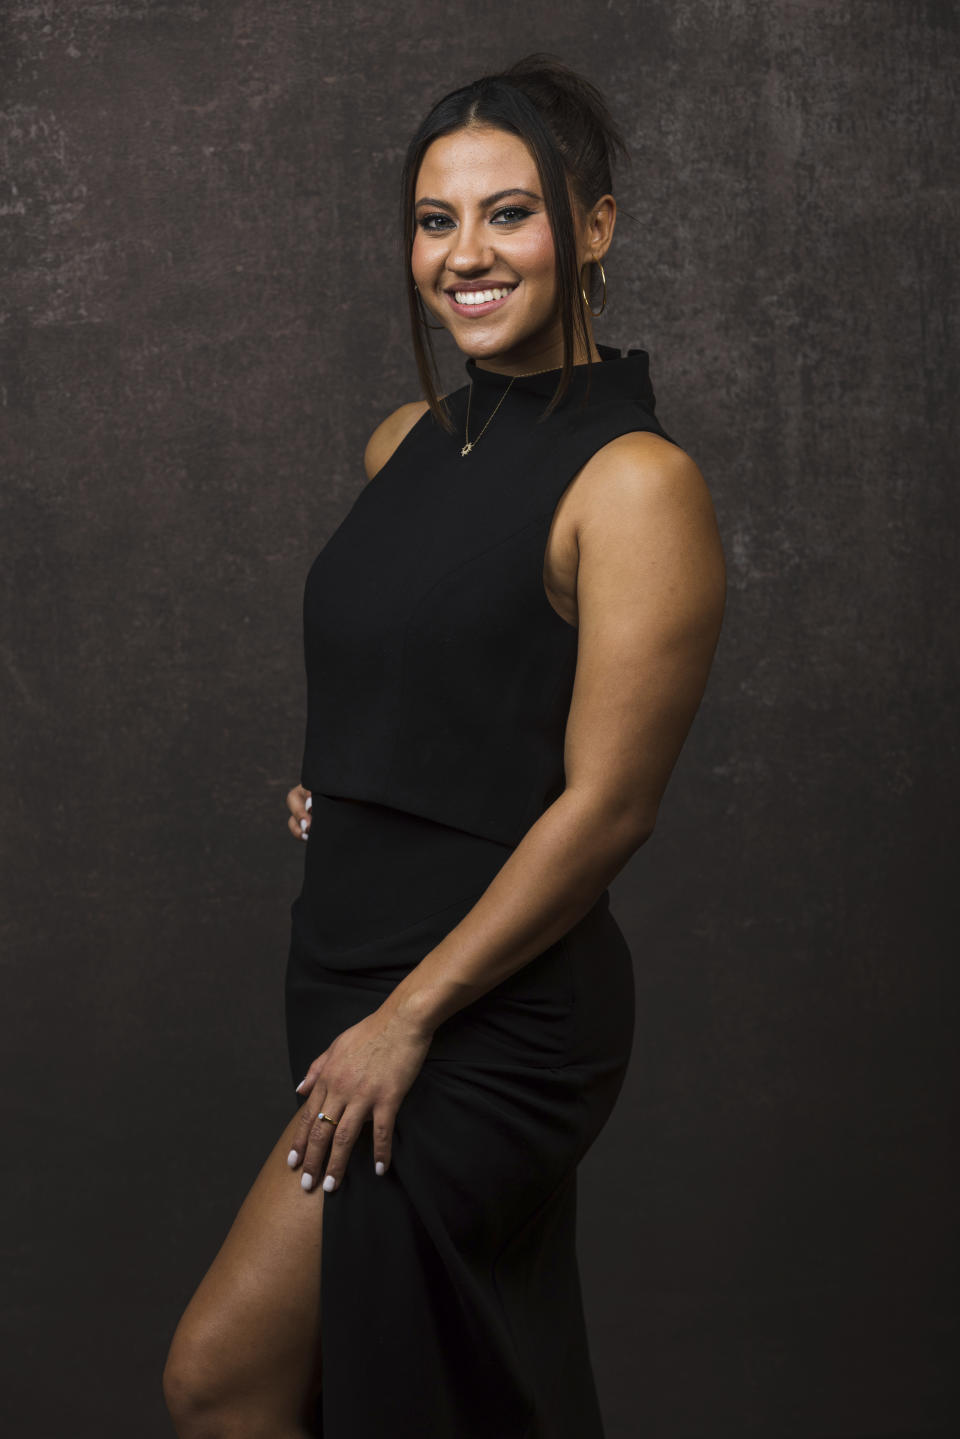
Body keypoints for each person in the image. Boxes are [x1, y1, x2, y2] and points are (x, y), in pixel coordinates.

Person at [162, 52, 726, 1439]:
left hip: (484, 1012)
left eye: (510, 214)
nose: (465, 256)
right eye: (434, 221)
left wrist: (408, 1021)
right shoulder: (404, 442)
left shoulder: (637, 482)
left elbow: (609, 810)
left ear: (592, 226)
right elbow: (428, 678)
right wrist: (348, 784)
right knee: (424, 1390)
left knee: (224, 1378)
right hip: (347, 967)